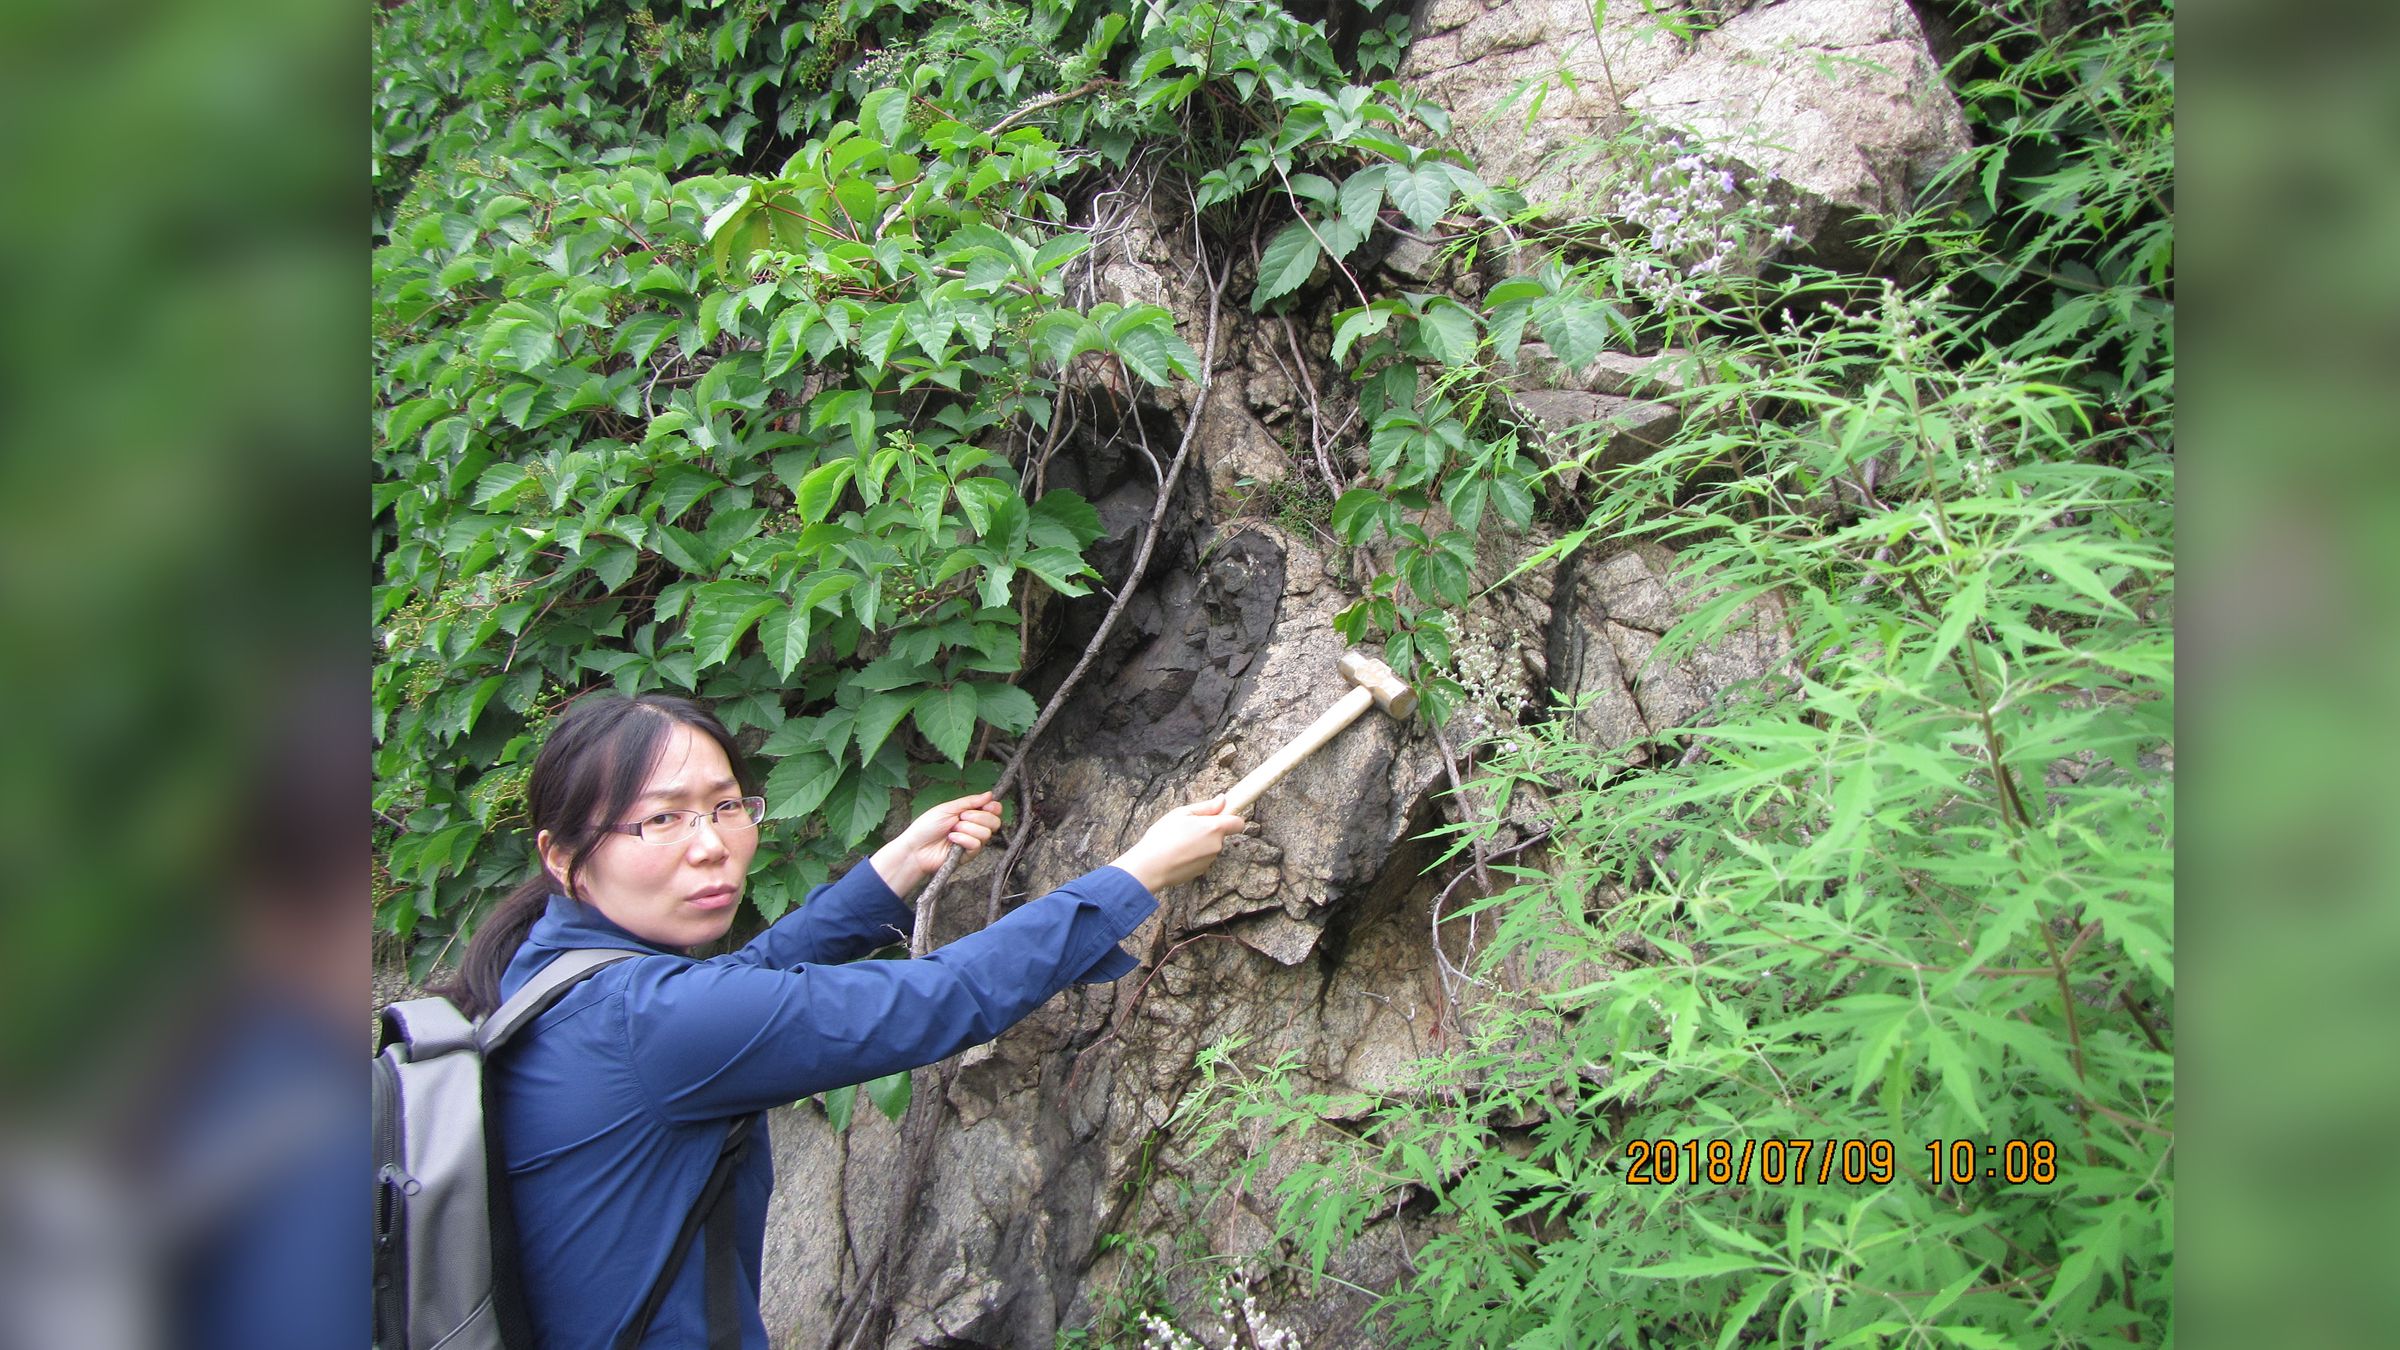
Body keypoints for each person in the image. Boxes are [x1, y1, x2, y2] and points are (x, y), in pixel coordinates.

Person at [439, 691, 1243, 1349]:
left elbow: (736, 983)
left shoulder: (543, 973)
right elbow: (938, 999)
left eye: (727, 807)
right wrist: (1135, 874)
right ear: (560, 855)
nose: (712, 845)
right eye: (662, 819)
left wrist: (892, 869)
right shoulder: (648, 1023)